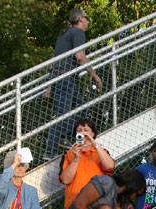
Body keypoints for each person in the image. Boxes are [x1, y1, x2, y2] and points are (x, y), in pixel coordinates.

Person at [43, 10, 103, 160]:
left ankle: (64, 136)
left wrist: (49, 86)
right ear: (82, 19)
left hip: (59, 77)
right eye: (87, 19)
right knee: (63, 115)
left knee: (83, 109)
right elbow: (80, 57)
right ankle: (50, 153)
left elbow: (55, 62)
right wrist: (94, 75)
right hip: (65, 77)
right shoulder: (77, 32)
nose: (88, 23)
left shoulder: (64, 36)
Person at [57, 118, 116, 208]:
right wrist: (76, 159)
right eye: (79, 130)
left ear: (93, 134)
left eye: (86, 130)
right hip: (74, 205)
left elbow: (110, 167)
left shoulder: (101, 152)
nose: (83, 133)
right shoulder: (68, 154)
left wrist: (94, 144)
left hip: (97, 204)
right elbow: (65, 179)